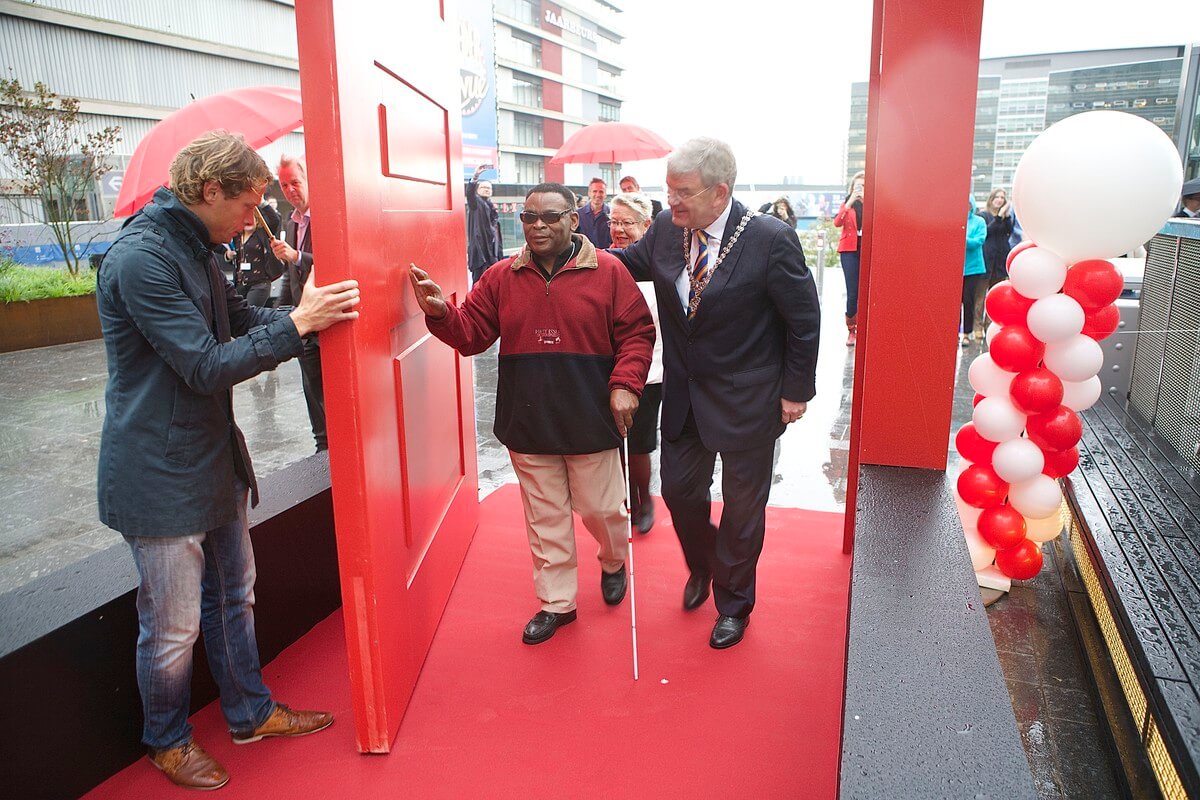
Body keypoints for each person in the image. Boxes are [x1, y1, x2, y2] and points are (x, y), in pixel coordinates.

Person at [95, 131, 360, 791]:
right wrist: (299, 325)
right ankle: (166, 739)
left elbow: (240, 318)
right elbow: (207, 365)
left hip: (209, 460)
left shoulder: (198, 247)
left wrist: (303, 312)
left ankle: (249, 713)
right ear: (209, 190)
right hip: (157, 476)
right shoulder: (141, 260)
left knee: (235, 598)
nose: (254, 219)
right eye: (248, 205)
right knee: (173, 626)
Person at [409, 182, 654, 646]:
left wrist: (626, 385)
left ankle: (613, 558)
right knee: (545, 518)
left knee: (602, 508)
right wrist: (441, 312)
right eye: (529, 218)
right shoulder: (502, 276)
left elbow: (638, 332)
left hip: (591, 415)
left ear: (573, 219)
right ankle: (557, 603)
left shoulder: (609, 271)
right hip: (528, 418)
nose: (538, 226)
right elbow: (472, 334)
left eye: (550, 217)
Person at [612, 137, 821, 650]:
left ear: (720, 191)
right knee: (681, 493)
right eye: (669, 189)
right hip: (684, 395)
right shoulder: (666, 227)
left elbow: (804, 320)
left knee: (744, 508)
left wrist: (797, 391)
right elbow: (625, 263)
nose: (671, 200)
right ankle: (705, 566)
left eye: (682, 192)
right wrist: (568, 253)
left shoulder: (770, 239)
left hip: (750, 397)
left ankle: (734, 602)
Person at [609, 192, 663, 534]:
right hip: (606, 366)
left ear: (646, 225)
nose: (618, 229)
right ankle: (622, 495)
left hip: (650, 368)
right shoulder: (602, 261)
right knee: (613, 442)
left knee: (638, 443)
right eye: (614, 221)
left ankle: (643, 498)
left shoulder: (660, 266)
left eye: (626, 223)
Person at [271, 155, 326, 452]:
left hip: (325, 318)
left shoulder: (326, 217)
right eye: (283, 184)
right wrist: (279, 313)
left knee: (329, 390)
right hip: (303, 321)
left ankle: (332, 444)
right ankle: (322, 445)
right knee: (311, 389)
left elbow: (333, 265)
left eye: (295, 182)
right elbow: (289, 277)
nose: (290, 189)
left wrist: (297, 256)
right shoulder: (291, 223)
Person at [223, 206, 284, 307]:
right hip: (240, 284)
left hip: (259, 284)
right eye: (245, 219)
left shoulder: (263, 234)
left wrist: (262, 202)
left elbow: (274, 219)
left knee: (251, 312)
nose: (249, 221)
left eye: (253, 218)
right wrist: (228, 256)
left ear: (258, 220)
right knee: (239, 315)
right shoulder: (237, 237)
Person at [833, 172, 865, 347]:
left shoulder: (872, 205)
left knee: (866, 291)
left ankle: (865, 327)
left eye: (864, 186)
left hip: (866, 248)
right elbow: (837, 222)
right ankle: (851, 329)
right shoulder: (847, 204)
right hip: (849, 250)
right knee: (852, 291)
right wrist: (850, 201)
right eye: (858, 186)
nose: (861, 190)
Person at [466, 163, 503, 283]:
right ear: (477, 190)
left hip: (493, 256)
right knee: (478, 287)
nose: (487, 190)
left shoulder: (492, 209)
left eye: (489, 188)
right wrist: (475, 177)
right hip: (480, 255)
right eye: (484, 187)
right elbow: (470, 194)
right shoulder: (476, 205)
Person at [962, 199, 988, 346]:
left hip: (973, 268)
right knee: (954, 302)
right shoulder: (953, 219)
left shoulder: (979, 221)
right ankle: (953, 332)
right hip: (956, 268)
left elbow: (979, 241)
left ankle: (966, 333)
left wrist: (961, 237)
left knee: (968, 300)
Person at [980, 188, 1014, 287]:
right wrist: (998, 216)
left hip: (1000, 259)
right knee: (980, 293)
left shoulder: (1005, 218)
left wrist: (1006, 216)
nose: (999, 200)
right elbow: (987, 231)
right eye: (997, 197)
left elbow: (1009, 231)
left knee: (997, 288)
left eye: (1002, 198)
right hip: (987, 259)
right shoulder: (983, 215)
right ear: (991, 199)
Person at [576, 177, 612, 248]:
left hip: (607, 255)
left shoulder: (612, 214)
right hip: (584, 256)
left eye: (601, 191)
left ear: (605, 194)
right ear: (589, 193)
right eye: (595, 191)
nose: (598, 195)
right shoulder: (578, 215)